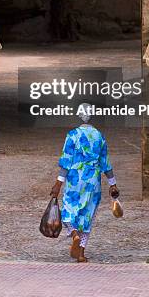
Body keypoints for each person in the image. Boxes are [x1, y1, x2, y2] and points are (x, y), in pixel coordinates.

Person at [50, 103, 119, 262]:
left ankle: (74, 234)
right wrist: (112, 184)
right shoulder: (99, 136)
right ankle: (80, 253)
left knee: (68, 212)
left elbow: (66, 161)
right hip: (93, 181)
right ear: (92, 115)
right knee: (88, 216)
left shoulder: (72, 135)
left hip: (75, 179)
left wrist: (58, 184)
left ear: (79, 115)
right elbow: (105, 163)